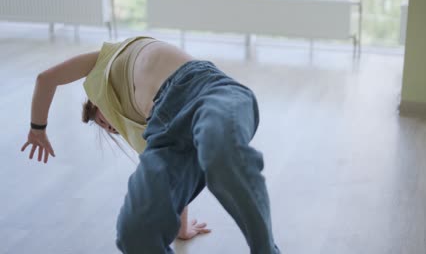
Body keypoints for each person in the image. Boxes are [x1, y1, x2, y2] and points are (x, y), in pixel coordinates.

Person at [20, 36, 280, 254]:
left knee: (219, 153)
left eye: (102, 120)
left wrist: (37, 129)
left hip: (206, 91)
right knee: (134, 233)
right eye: (109, 130)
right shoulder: (140, 133)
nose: (110, 128)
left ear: (95, 103)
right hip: (164, 132)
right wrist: (181, 228)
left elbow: (46, 78)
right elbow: (170, 185)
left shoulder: (101, 63)